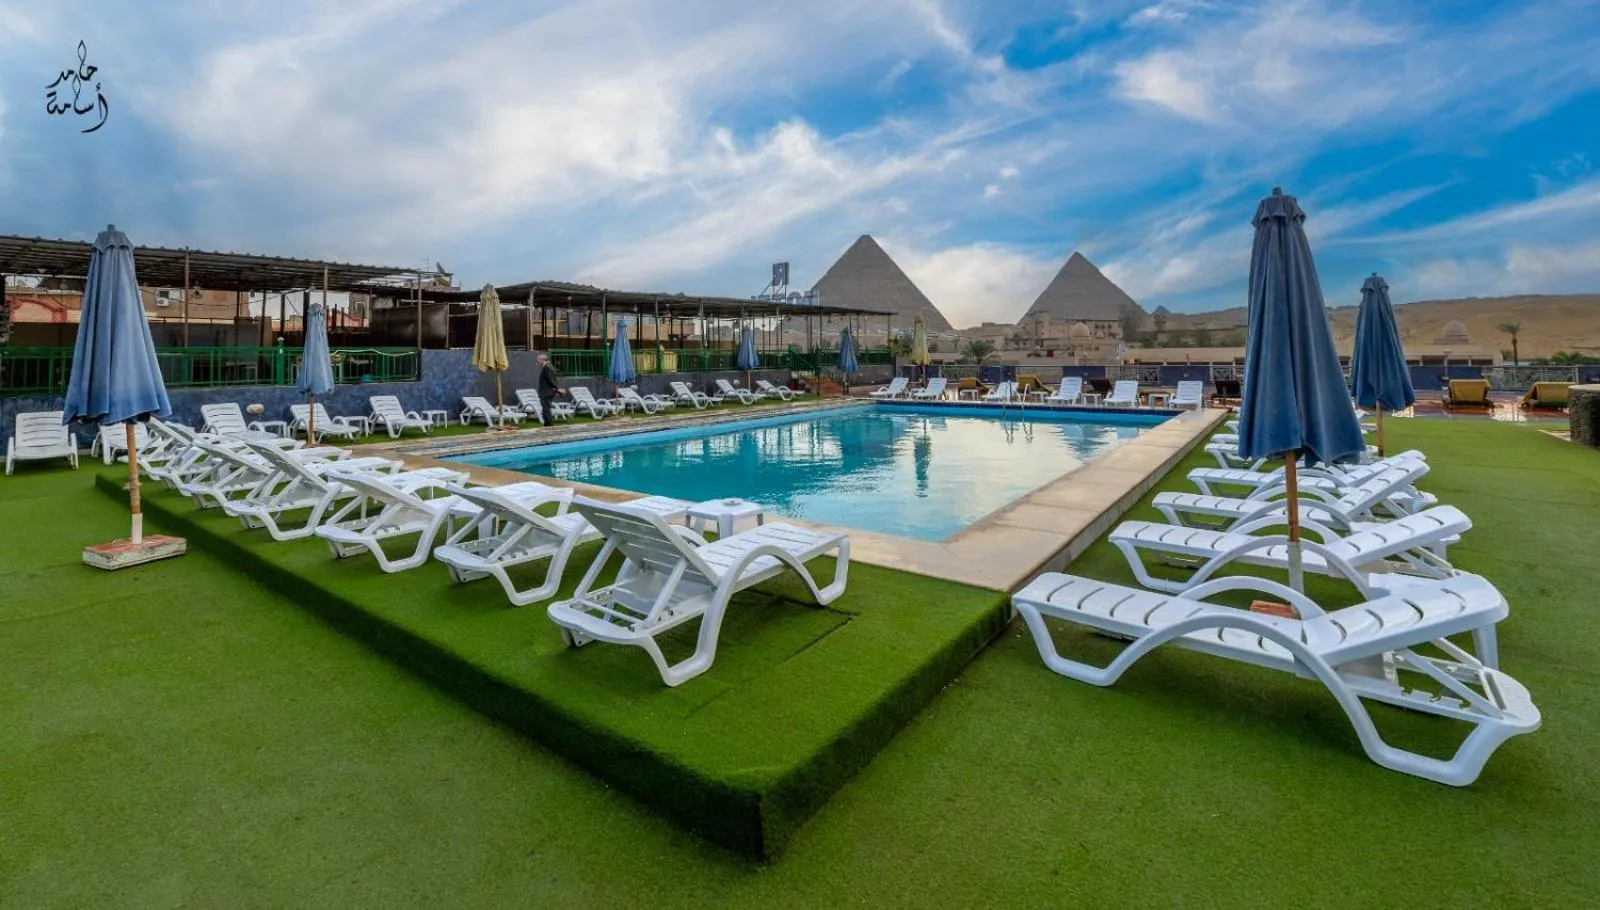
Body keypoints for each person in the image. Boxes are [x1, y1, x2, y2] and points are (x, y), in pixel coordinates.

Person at [534, 352, 562, 426]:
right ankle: (547, 423)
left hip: (546, 392)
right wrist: (556, 389)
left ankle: (549, 424)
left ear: (542, 360)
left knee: (546, 408)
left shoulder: (547, 367)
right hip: (548, 392)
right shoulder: (549, 366)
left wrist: (556, 389)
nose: (537, 362)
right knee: (546, 408)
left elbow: (550, 380)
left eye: (538, 361)